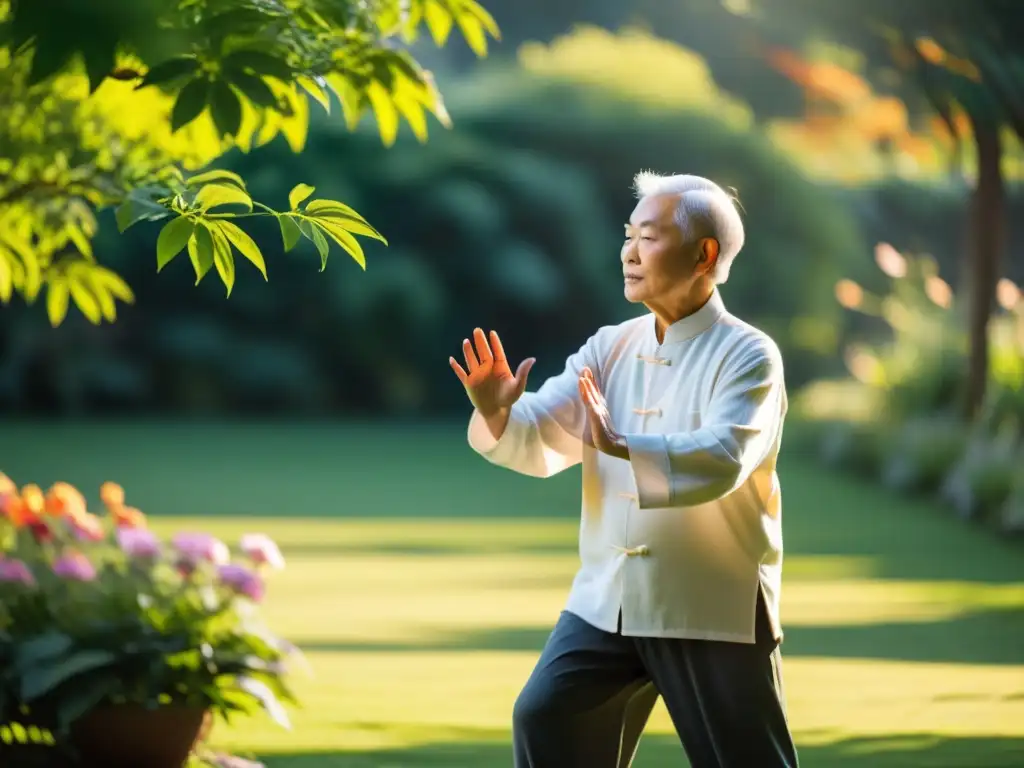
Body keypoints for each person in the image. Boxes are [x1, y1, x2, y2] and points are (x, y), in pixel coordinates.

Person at [449, 172, 798, 768]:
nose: (630, 253)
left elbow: (724, 458)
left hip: (711, 606)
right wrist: (497, 411)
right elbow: (544, 435)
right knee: (548, 716)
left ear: (704, 254)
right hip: (606, 600)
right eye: (628, 235)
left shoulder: (748, 353)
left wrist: (619, 443)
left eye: (650, 237)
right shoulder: (609, 345)